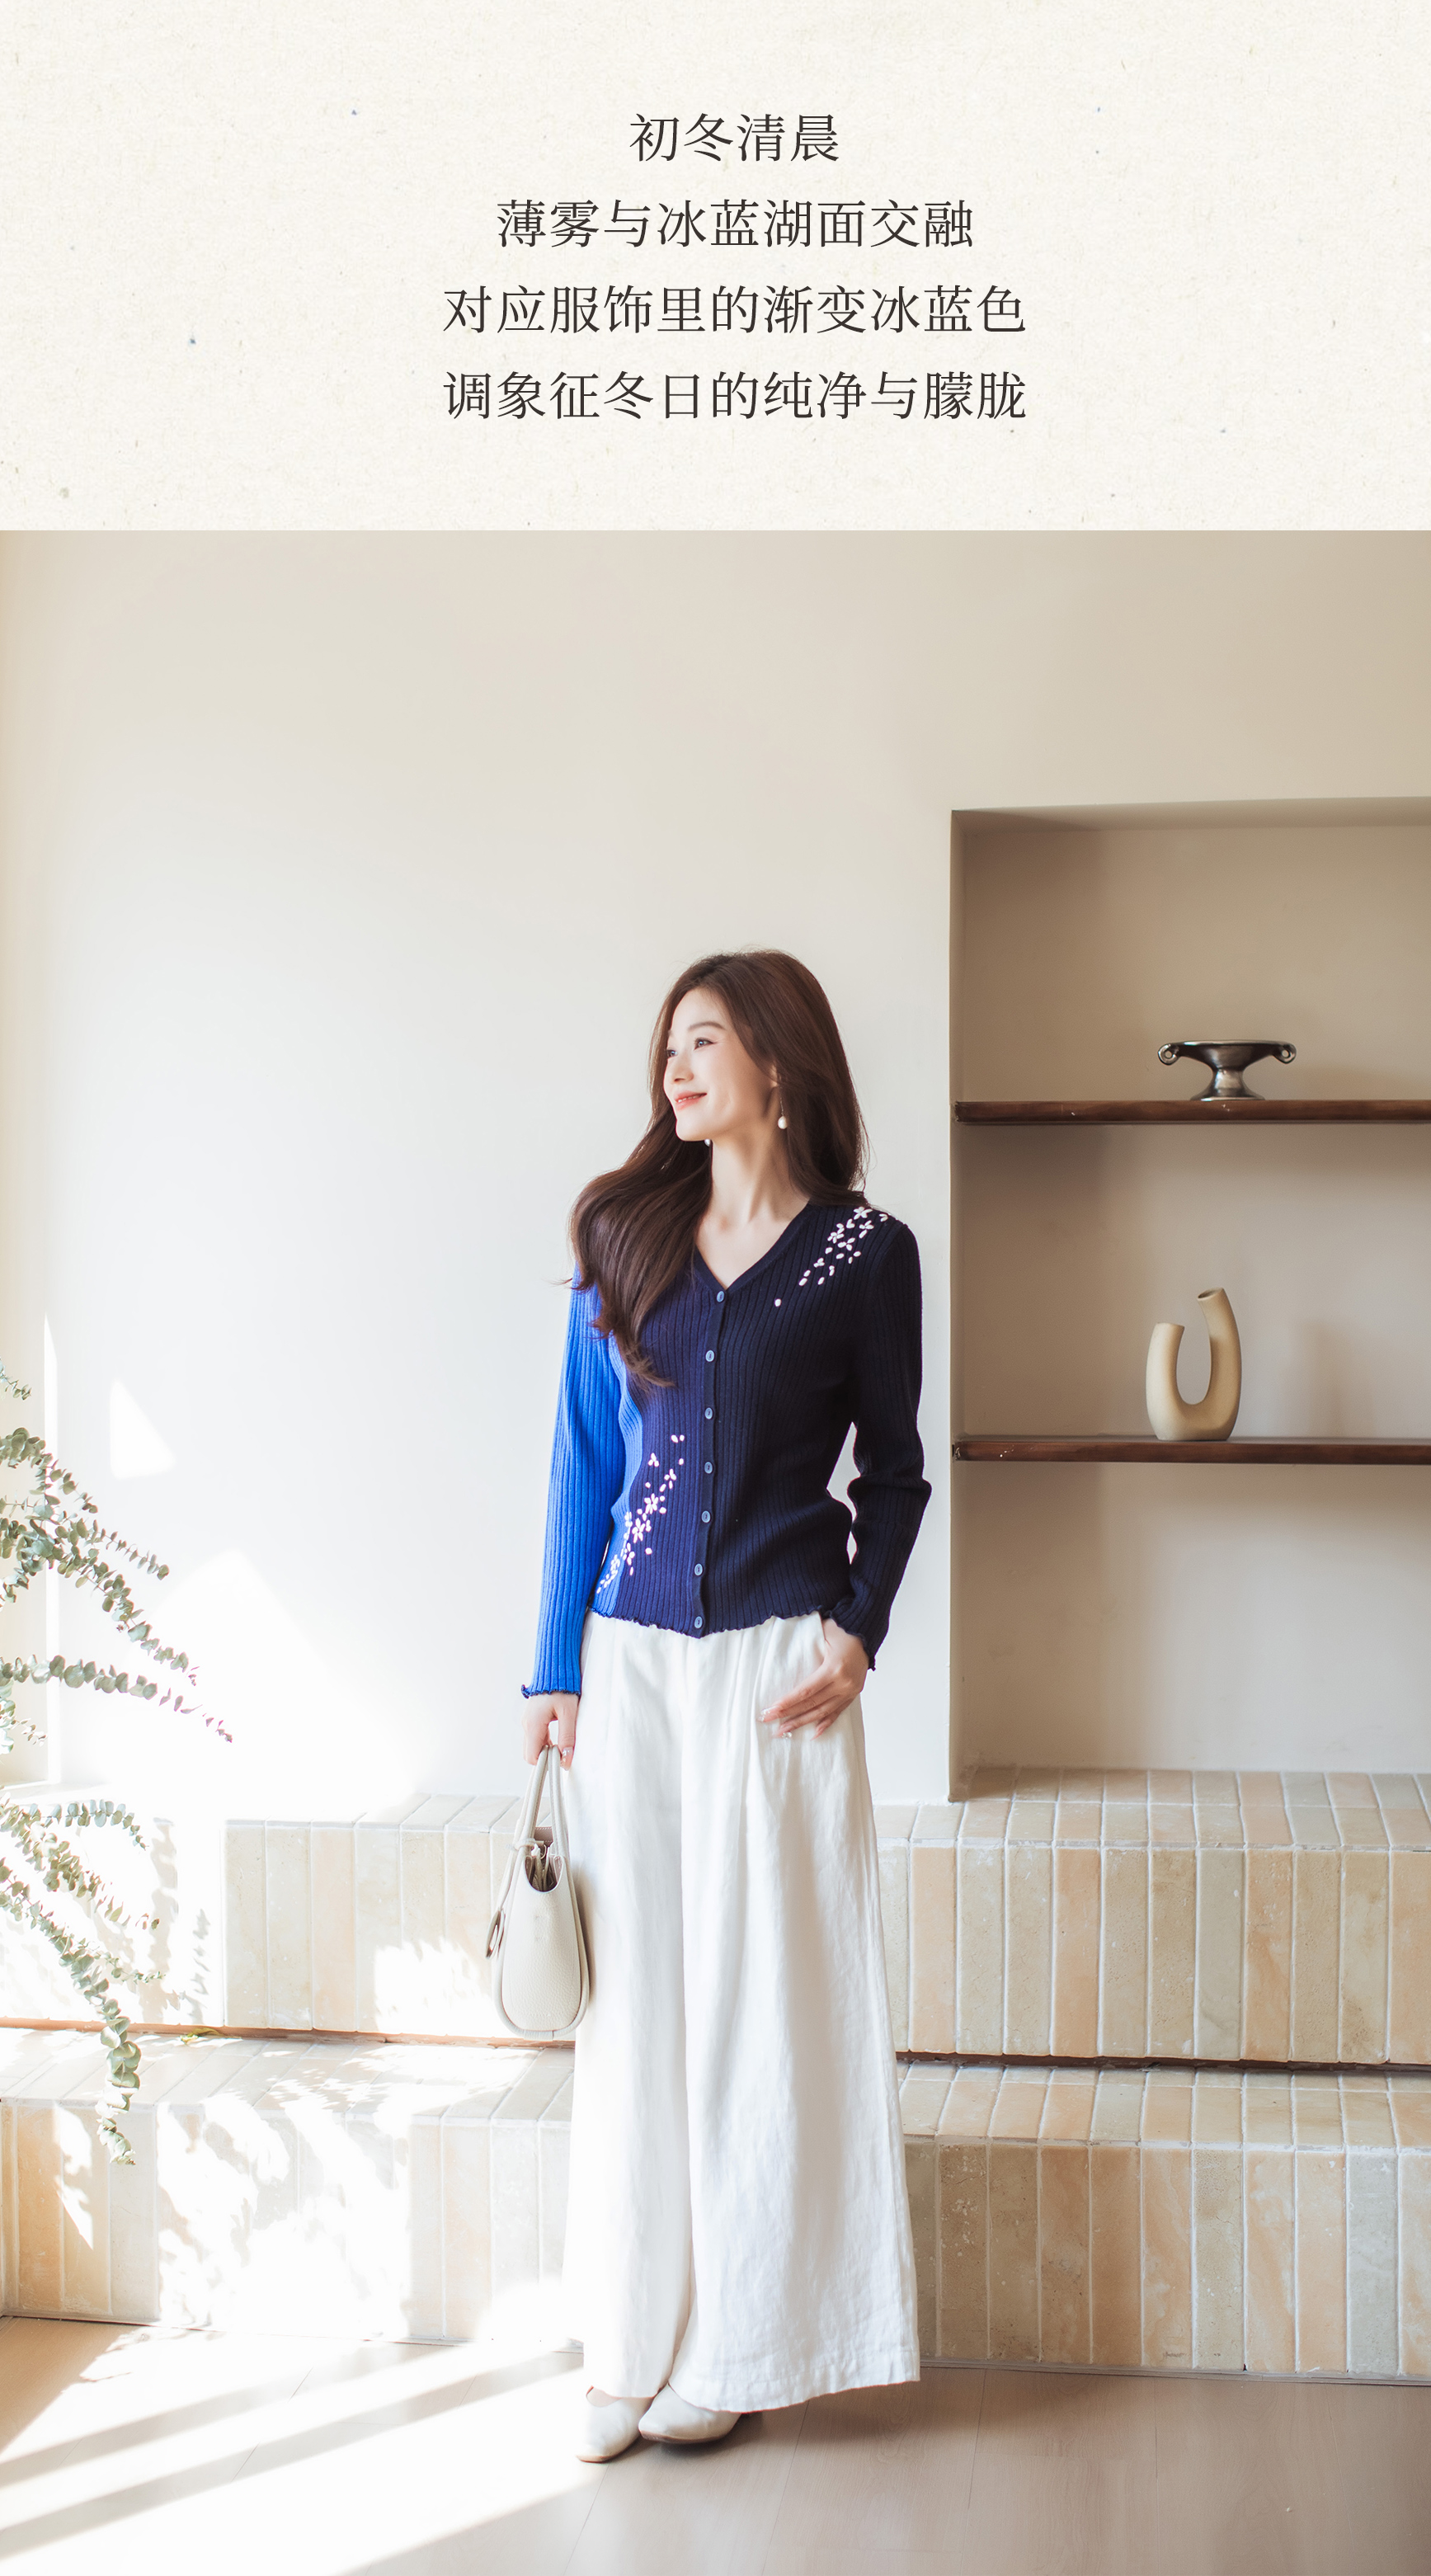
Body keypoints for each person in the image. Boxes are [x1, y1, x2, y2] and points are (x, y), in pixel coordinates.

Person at [521, 948, 931, 2463]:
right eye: (669, 1047)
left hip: (777, 1677)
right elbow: (581, 1463)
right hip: (631, 1666)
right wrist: (553, 1668)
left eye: (704, 1042)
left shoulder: (865, 1254)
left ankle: (743, 2343)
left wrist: (858, 1632)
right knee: (637, 2010)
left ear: (775, 1061)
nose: (675, 1068)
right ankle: (628, 2340)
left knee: (762, 2011)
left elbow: (896, 1473)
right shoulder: (624, 1237)